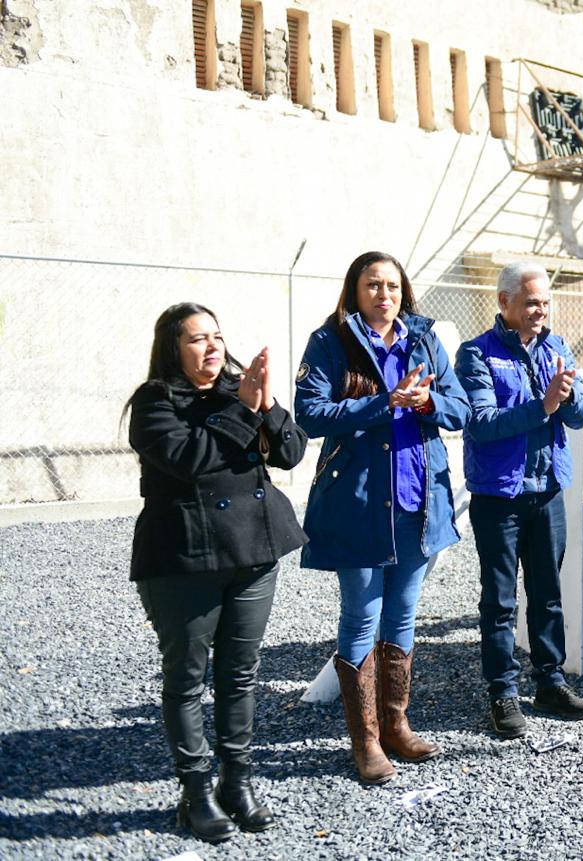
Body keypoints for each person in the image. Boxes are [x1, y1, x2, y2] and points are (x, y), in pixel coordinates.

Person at [127, 302, 306, 842]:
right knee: (186, 678)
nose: (213, 348)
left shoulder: (240, 392)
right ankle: (195, 791)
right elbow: (189, 459)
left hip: (252, 554)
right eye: (197, 340)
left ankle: (237, 780)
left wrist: (267, 403)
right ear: (173, 350)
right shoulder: (155, 403)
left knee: (239, 673)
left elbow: (291, 453)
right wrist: (245, 410)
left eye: (217, 337)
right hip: (184, 560)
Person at [295, 251, 470, 784]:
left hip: (418, 504)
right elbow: (310, 414)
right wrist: (384, 402)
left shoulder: (424, 339)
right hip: (360, 504)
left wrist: (424, 403)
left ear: (404, 292)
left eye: (392, 285)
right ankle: (365, 740)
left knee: (402, 617)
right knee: (361, 618)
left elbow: (460, 409)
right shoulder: (331, 342)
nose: (384, 294)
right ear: (355, 290)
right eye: (373, 284)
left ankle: (395, 723)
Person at [454, 262, 583, 739]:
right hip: (499, 495)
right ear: (504, 303)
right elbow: (483, 423)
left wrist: (567, 400)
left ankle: (549, 681)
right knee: (499, 601)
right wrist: (544, 406)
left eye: (546, 302)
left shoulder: (557, 347)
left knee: (547, 595)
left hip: (547, 490)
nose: (541, 311)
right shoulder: (476, 355)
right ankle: (502, 692)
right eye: (532, 302)